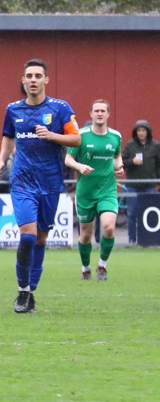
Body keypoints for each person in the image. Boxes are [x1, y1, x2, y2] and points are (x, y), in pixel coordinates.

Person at [0, 59, 80, 314]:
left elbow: (76, 138)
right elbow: (8, 136)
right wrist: (0, 158)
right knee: (28, 236)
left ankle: (31, 290)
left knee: (41, 238)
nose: (33, 79)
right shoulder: (13, 109)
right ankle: (22, 291)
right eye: (28, 75)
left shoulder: (60, 108)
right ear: (23, 80)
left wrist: (52, 136)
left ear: (45, 80)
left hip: (50, 181)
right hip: (22, 181)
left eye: (37, 75)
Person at [65, 100, 123, 280]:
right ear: (90, 114)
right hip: (85, 193)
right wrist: (80, 167)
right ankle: (85, 267)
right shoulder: (80, 135)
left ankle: (102, 265)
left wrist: (118, 166)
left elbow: (116, 155)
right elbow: (68, 159)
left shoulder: (115, 136)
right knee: (86, 235)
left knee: (108, 227)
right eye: (96, 110)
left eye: (102, 111)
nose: (99, 113)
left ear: (108, 114)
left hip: (107, 190)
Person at [121, 119, 160, 244]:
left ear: (148, 132)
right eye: (139, 131)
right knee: (132, 213)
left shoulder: (155, 146)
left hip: (150, 185)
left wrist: (158, 182)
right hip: (133, 185)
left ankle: (151, 240)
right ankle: (132, 240)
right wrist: (132, 161)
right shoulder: (129, 146)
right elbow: (122, 163)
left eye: (144, 130)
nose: (141, 133)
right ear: (135, 132)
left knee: (152, 213)